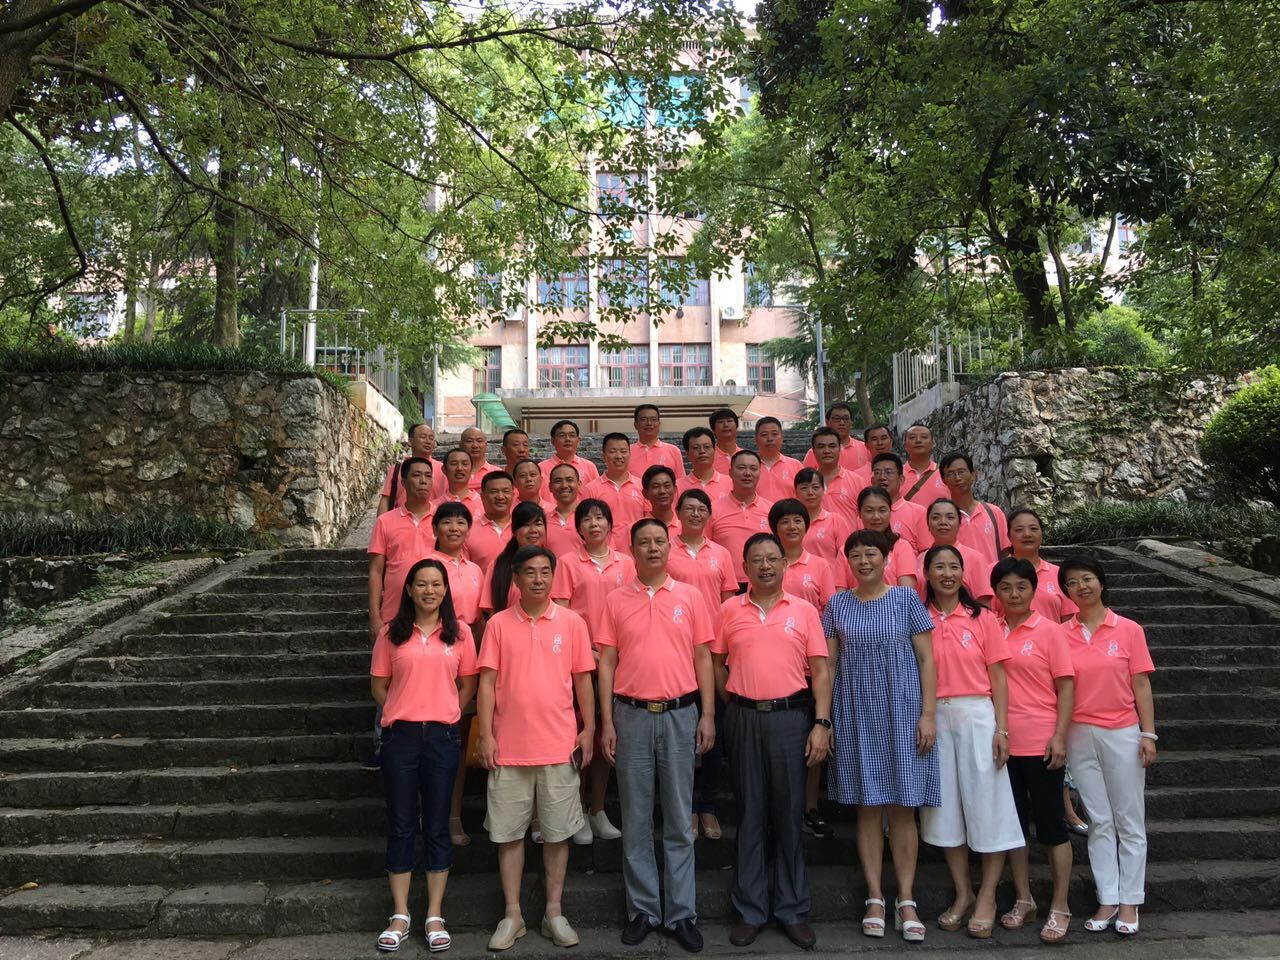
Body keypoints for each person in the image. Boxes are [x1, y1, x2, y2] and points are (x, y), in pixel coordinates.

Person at [597, 519, 716, 952]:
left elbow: (703, 657)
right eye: (644, 542)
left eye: (659, 541)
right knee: (636, 817)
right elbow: (607, 661)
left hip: (681, 714)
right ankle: (644, 910)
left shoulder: (690, 596)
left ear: (670, 547)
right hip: (631, 715)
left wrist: (708, 715)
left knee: (680, 819)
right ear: (631, 549)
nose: (652, 548)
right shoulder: (615, 599)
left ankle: (681, 913)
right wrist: (607, 721)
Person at [714, 533, 833, 951]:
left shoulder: (803, 611)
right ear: (744, 568)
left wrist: (821, 722)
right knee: (749, 813)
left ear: (784, 564)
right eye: (757, 560)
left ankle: (792, 909)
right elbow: (716, 662)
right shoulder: (729, 610)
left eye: (772, 559)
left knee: (787, 813)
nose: (765, 566)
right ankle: (750, 910)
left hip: (790, 719)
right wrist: (735, 702)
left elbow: (821, 670)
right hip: (743, 718)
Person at [476, 546, 597, 951]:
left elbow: (583, 680)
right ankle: (512, 914)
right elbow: (487, 683)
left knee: (558, 834)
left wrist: (589, 729)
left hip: (558, 746)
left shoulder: (572, 622)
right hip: (508, 748)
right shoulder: (498, 624)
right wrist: (486, 735)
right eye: (530, 572)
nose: (538, 579)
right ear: (516, 578)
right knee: (508, 833)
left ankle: (553, 912)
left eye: (545, 571)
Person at [822, 529, 937, 944]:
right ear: (847, 562)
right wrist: (825, 719)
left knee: (904, 808)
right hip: (856, 713)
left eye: (871, 553)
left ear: (886, 557)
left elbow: (926, 659)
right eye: (855, 555)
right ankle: (874, 897)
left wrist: (928, 715)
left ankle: (907, 899)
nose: (864, 561)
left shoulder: (906, 600)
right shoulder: (836, 605)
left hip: (902, 712)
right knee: (868, 807)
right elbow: (828, 667)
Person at [371, 557, 478, 953]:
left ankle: (434, 914)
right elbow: (379, 685)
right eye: (421, 584)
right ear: (409, 589)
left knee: (436, 824)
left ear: (446, 589)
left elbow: (469, 682)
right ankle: (400, 914)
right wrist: (401, 710)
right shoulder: (391, 633)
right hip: (400, 736)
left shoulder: (460, 632)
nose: (429, 590)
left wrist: (449, 711)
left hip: (442, 736)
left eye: (436, 584)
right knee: (401, 823)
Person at [919, 544, 1024, 939]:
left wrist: (1002, 729)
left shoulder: (983, 618)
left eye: (954, 566)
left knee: (988, 805)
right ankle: (963, 893)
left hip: (978, 714)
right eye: (939, 567)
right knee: (945, 810)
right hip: (934, 717)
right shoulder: (919, 617)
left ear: (964, 573)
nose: (947, 574)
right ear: (926, 574)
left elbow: (999, 678)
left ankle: (988, 896)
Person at [1059, 556, 1157, 938]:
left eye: (1087, 579)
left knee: (1129, 820)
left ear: (1101, 583)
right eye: (1072, 582)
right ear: (1066, 592)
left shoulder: (1129, 630)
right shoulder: (1061, 634)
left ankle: (1130, 900)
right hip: (1079, 734)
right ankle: (1108, 898)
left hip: (1122, 731)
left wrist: (1148, 734)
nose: (1081, 587)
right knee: (1099, 820)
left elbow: (1141, 684)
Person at [991, 558, 1076, 944]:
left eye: (1021, 587)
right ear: (996, 592)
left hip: (1041, 742)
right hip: (1003, 744)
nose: (1013, 594)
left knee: (1052, 826)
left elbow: (1066, 686)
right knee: (1014, 827)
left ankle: (1060, 905)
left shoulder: (1050, 632)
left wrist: (1060, 736)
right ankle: (1024, 898)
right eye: (1005, 588)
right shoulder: (991, 628)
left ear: (1033, 590)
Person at [550, 499, 633, 843]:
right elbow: (563, 613)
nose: (594, 523)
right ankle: (579, 811)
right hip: (580, 663)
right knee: (581, 734)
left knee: (605, 738)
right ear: (579, 528)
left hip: (618, 662)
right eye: (587, 519)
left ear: (611, 525)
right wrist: (587, 651)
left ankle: (598, 809)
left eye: (600, 518)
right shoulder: (568, 563)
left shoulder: (626, 563)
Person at [666, 488, 737, 841]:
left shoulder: (721, 554)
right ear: (677, 512)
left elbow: (728, 605)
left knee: (713, 733)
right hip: (674, 653)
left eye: (701, 509)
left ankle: (707, 805)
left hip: (713, 653)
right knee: (681, 736)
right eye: (689, 508)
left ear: (709, 515)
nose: (695, 514)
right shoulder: (665, 548)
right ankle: (686, 808)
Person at [769, 498, 837, 841]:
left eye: (798, 520)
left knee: (813, 739)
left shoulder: (820, 566)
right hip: (776, 664)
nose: (792, 526)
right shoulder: (768, 562)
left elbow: (830, 612)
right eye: (785, 521)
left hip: (812, 664)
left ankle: (809, 807)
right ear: (774, 528)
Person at [425, 503, 485, 848]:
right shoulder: (424, 565)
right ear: (435, 528)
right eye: (446, 522)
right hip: (432, 657)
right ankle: (426, 815)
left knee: (457, 742)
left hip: (466, 658)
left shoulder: (475, 570)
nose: (454, 528)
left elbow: (478, 619)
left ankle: (452, 816)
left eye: (461, 522)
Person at [369, 459, 437, 646]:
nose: (423, 481)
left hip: (436, 613)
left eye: (428, 476)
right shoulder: (385, 521)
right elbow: (376, 571)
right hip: (394, 612)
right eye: (417, 475)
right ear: (404, 483)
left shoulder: (443, 519)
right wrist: (374, 616)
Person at [709, 450, 774, 588]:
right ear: (730, 472)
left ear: (760, 473)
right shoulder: (713, 510)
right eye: (741, 468)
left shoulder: (771, 510)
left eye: (753, 468)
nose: (747, 473)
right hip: (725, 585)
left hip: (764, 582)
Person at [1006, 509, 1078, 623]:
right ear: (1009, 536)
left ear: (1041, 534)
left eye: (1033, 528)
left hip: (1052, 635)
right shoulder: (992, 572)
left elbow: (1069, 623)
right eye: (1019, 529)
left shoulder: (1059, 574)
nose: (1027, 534)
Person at [480, 501, 550, 617]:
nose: (533, 530)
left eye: (538, 524)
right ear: (514, 531)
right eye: (526, 525)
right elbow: (491, 611)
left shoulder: (552, 565)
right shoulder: (498, 566)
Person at [918, 499, 994, 605]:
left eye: (950, 517)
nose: (943, 522)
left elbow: (984, 605)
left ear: (959, 523)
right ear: (928, 525)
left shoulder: (976, 559)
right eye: (935, 517)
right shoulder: (920, 558)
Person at [940, 452, 1010, 565]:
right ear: (943, 480)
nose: (957, 478)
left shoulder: (993, 512)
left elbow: (1006, 552)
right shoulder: (943, 519)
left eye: (961, 472)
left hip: (992, 575)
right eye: (951, 474)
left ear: (973, 475)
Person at [583, 433, 647, 552]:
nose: (618, 456)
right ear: (604, 456)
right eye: (612, 451)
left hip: (637, 551)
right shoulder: (591, 489)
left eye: (623, 451)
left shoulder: (642, 486)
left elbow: (648, 518)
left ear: (629, 454)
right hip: (604, 552)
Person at [792, 468, 854, 575]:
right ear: (795, 492)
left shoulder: (836, 521)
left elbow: (846, 558)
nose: (810, 492)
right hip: (798, 581)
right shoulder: (791, 524)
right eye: (804, 488)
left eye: (815, 487)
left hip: (830, 581)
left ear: (823, 490)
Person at [856, 487, 918, 589]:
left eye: (882, 510)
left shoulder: (902, 547)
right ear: (859, 513)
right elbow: (841, 594)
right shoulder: (848, 550)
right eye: (869, 511)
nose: (876, 517)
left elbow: (907, 593)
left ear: (890, 511)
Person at [868, 453, 930, 553]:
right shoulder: (865, 513)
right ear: (872, 480)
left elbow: (926, 552)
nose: (882, 477)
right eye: (877, 472)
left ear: (901, 480)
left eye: (888, 472)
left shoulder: (919, 512)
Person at [378, 423, 445, 514]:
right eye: (423, 437)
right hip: (401, 519)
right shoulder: (396, 470)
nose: (428, 441)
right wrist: (381, 521)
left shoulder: (443, 469)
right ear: (410, 441)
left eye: (431, 438)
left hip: (433, 520)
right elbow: (386, 499)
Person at [809, 427, 861, 524]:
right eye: (821, 447)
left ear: (839, 448)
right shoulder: (807, 484)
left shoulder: (857, 481)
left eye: (832, 446)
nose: (827, 451)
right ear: (813, 450)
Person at [467, 471, 515, 573]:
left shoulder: (523, 528)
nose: (500, 497)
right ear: (482, 496)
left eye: (506, 491)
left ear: (513, 495)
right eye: (494, 492)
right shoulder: (468, 531)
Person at [801, 402, 868, 472]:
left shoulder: (865, 448)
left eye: (846, 419)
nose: (842, 423)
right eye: (837, 418)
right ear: (827, 422)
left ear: (851, 422)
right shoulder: (814, 453)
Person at [755, 416, 804, 502]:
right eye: (764, 435)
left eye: (774, 434)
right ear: (756, 439)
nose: (770, 439)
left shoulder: (796, 466)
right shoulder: (749, 468)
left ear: (782, 438)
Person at [630, 403, 686, 478]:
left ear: (659, 424)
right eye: (643, 419)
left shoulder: (673, 451)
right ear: (635, 425)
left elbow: (680, 481)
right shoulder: (626, 452)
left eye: (653, 419)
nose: (649, 423)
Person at [541, 419, 599, 487]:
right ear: (552, 441)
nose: (567, 439)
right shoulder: (541, 468)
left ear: (578, 440)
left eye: (572, 435)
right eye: (562, 435)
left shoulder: (589, 466)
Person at [678, 426, 731, 500]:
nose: (702, 451)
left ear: (714, 450)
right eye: (696, 448)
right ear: (687, 454)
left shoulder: (730, 483)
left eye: (707, 446)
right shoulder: (678, 487)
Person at [544, 462, 584, 558]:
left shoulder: (590, 519)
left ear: (579, 484)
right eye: (558, 481)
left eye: (569, 480)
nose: (564, 485)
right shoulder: (542, 522)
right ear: (550, 487)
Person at [902, 425, 949, 505]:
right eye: (912, 437)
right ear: (905, 445)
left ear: (933, 443)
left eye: (924, 437)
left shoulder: (945, 473)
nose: (918, 440)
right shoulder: (896, 474)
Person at [436, 448, 484, 520]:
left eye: (465, 464)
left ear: (472, 469)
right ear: (444, 470)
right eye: (454, 464)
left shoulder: (484, 504)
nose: (459, 468)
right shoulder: (434, 507)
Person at [641, 465, 680, 536]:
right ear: (645, 493)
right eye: (656, 487)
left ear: (675, 490)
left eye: (667, 486)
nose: (662, 491)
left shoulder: (686, 528)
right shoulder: (637, 530)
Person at [461, 427, 501, 491]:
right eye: (469, 441)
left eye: (479, 441)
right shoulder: (452, 472)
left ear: (486, 445)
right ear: (461, 445)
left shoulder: (497, 473)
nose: (475, 446)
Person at [708, 407, 743, 475]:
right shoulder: (707, 458)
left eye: (729, 421)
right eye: (720, 422)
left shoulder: (746, 456)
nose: (726, 425)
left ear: (737, 426)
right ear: (713, 429)